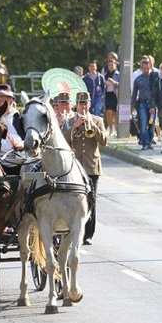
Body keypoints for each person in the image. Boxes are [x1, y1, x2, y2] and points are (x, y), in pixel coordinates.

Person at [63, 92, 107, 245]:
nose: (83, 106)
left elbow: (104, 141)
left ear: (89, 104)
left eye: (85, 103)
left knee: (91, 200)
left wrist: (92, 126)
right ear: (76, 104)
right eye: (81, 103)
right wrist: (74, 127)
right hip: (74, 166)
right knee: (73, 200)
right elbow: (63, 141)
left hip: (91, 166)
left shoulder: (97, 120)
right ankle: (72, 230)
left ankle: (88, 234)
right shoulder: (69, 121)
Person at [0, 88, 24, 175]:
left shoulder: (20, 118)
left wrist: (22, 144)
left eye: (1, 101)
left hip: (21, 164)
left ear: (11, 102)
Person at [131, 58, 156, 150]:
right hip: (142, 103)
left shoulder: (154, 78)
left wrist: (154, 105)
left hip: (152, 104)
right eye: (144, 68)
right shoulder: (138, 79)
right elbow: (134, 93)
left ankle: (150, 141)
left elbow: (156, 92)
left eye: (147, 68)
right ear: (141, 68)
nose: (146, 70)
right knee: (143, 123)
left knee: (151, 124)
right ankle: (145, 142)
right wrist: (132, 105)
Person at [103, 59, 120, 136]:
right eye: (109, 65)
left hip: (115, 95)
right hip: (108, 94)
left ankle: (117, 130)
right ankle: (111, 128)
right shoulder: (105, 75)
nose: (111, 66)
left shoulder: (118, 74)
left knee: (116, 113)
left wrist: (114, 82)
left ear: (115, 65)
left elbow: (121, 84)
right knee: (108, 112)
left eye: (112, 65)